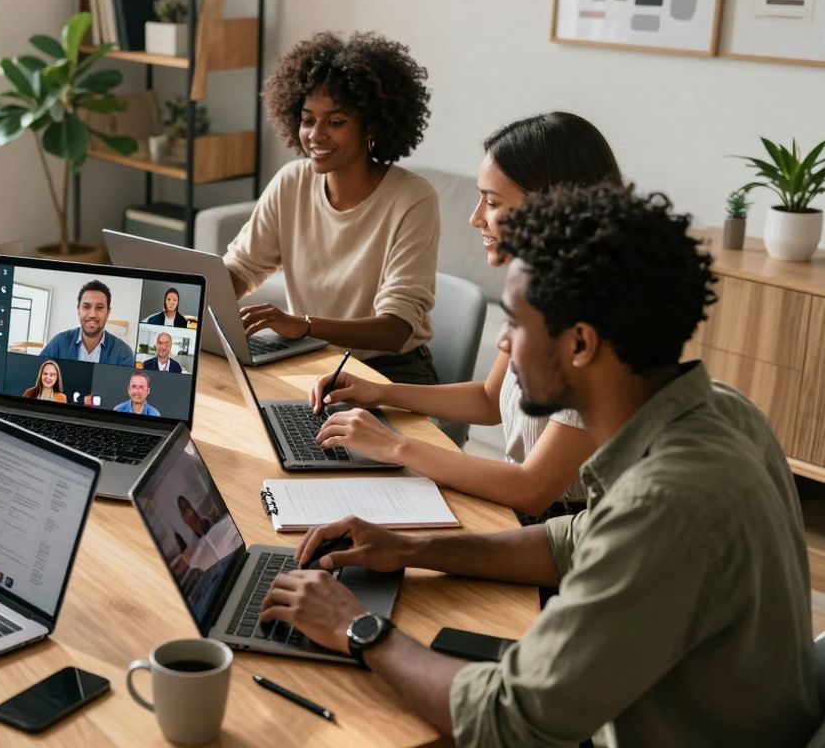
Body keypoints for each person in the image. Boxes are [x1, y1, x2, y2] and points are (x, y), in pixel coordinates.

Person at [260, 185, 818, 746]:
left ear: (580, 344)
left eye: (515, 322)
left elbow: (508, 722)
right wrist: (413, 547)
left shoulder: (663, 504)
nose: (502, 340)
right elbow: (577, 540)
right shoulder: (722, 407)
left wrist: (357, 627)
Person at [311, 112, 621, 520]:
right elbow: (490, 400)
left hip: (571, 541)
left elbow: (531, 489)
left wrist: (392, 444)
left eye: (492, 203)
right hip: (519, 514)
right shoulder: (537, 288)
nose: (475, 217)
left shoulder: (595, 328)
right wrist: (381, 391)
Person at [226, 32, 440, 384]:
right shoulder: (291, 182)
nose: (315, 135)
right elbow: (242, 267)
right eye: (308, 120)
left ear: (371, 126)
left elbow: (395, 329)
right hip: (310, 358)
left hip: (389, 371)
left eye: (336, 122)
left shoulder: (413, 198)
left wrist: (303, 325)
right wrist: (189, 297)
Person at [39, 280, 135, 365]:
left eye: (99, 308)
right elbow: (37, 376)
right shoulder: (59, 343)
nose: (92, 314)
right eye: (86, 306)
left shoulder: (123, 353)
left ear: (108, 312)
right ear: (78, 310)